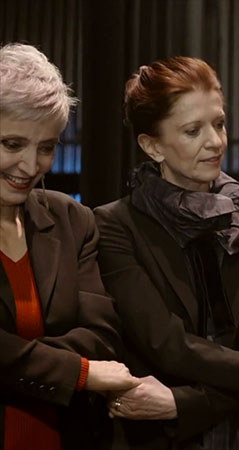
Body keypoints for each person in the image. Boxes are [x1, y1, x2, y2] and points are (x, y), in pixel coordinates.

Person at [93, 56, 239, 450]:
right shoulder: (115, 226)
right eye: (193, 131)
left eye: (219, 123)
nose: (216, 141)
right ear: (152, 146)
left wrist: (182, 403)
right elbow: (169, 346)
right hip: (159, 439)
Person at [0, 43, 140, 450]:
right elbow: (91, 360)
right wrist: (80, 373)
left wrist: (15, 362)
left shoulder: (72, 218)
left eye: (46, 147)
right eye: (11, 144)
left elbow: (102, 333)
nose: (30, 166)